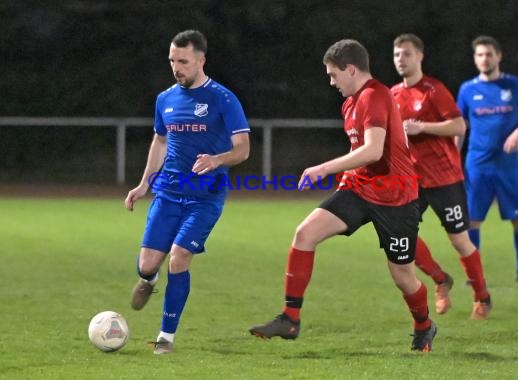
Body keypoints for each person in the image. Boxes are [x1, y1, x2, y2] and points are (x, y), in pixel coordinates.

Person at [249, 39, 437, 352]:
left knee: (403, 276)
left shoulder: (374, 95)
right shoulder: (350, 103)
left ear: (351, 69)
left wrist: (323, 168)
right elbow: (358, 151)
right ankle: (290, 318)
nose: (331, 82)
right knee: (305, 234)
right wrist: (344, 179)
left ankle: (424, 325)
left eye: (334, 75)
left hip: (396, 198)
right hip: (360, 189)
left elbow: (374, 150)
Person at [124, 30, 250, 354]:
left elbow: (243, 148)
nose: (176, 67)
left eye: (182, 61)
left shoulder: (223, 99)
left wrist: (217, 159)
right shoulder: (165, 99)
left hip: (205, 197)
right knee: (148, 264)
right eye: (172, 61)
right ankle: (149, 281)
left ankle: (166, 337)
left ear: (201, 60)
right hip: (168, 193)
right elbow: (160, 141)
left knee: (179, 258)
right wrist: (144, 184)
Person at [390, 33, 491, 319]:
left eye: (407, 54)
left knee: (459, 240)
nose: (401, 59)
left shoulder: (433, 90)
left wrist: (423, 127)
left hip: (445, 178)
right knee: (399, 235)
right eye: (397, 54)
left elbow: (459, 126)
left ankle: (482, 296)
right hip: (412, 180)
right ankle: (440, 279)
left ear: (420, 56)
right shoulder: (393, 95)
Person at [457, 36, 518, 286]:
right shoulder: (467, 90)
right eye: (480, 55)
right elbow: (459, 127)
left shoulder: (515, 86)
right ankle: (474, 276)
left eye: (489, 54)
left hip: (509, 167)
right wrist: (452, 156)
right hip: (478, 166)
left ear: (499, 56)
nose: (484, 59)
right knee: (472, 222)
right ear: (475, 59)